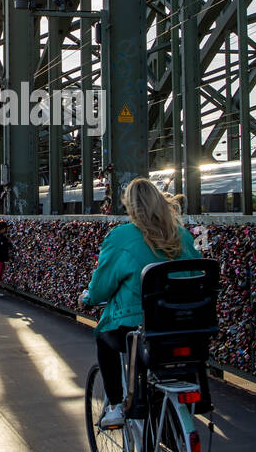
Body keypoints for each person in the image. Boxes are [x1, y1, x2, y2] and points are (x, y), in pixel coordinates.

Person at [80, 177, 201, 427]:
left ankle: (114, 405)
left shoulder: (122, 236)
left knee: (104, 337)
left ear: (130, 207)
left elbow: (102, 286)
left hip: (137, 327)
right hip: (182, 324)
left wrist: (88, 297)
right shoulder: (181, 235)